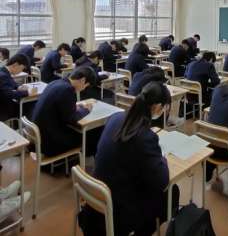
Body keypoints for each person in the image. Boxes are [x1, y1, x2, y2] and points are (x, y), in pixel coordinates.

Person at [80, 82, 175, 236]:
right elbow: (162, 181)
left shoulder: (116, 117)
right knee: (171, 193)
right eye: (164, 108)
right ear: (158, 107)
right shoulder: (145, 137)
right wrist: (162, 158)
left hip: (95, 199)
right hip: (117, 211)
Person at [32, 67, 96, 157]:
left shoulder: (56, 82)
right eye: (86, 85)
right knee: (89, 135)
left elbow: (61, 108)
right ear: (83, 80)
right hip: (49, 142)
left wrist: (75, 108)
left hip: (40, 136)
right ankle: (79, 161)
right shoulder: (68, 90)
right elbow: (72, 119)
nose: (84, 89)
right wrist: (86, 110)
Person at [0, 54, 37, 121]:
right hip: (3, 109)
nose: (21, 71)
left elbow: (10, 82)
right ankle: (26, 124)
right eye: (22, 68)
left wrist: (18, 87)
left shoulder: (3, 70)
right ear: (16, 64)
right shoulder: (3, 76)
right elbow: (9, 94)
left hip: (4, 103)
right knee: (31, 104)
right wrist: (28, 92)